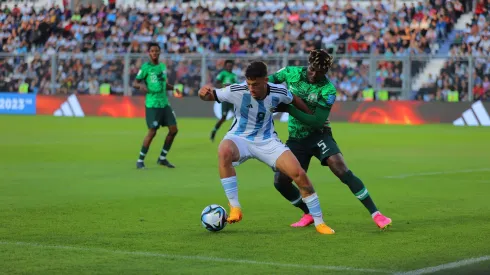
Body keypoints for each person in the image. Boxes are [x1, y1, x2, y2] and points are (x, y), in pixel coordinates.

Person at [198, 61, 335, 235]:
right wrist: (202, 93)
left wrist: (312, 116)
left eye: (255, 85)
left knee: (299, 174)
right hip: (239, 138)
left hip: (267, 141)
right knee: (223, 150)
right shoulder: (237, 90)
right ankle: (234, 206)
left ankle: (319, 222)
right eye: (248, 84)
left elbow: (294, 100)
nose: (251, 89)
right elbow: (210, 96)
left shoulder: (279, 92)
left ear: (266, 80)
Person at [269, 49, 392, 230]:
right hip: (296, 139)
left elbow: (317, 121)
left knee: (340, 168)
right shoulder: (291, 72)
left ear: (325, 72)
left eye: (319, 72)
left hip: (319, 135)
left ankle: (377, 214)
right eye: (312, 68)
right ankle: (308, 213)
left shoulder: (328, 89)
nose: (314, 74)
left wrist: (288, 109)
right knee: (280, 182)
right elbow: (268, 82)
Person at [133, 42, 179, 169]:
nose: (154, 53)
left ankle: (162, 158)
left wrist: (174, 88)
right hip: (152, 104)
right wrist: (140, 86)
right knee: (152, 132)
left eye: (156, 51)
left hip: (164, 103)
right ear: (149, 53)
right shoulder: (145, 67)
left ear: (159, 52)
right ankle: (140, 160)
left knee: (174, 130)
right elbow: (135, 83)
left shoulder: (162, 67)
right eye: (152, 51)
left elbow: (164, 84)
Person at [210, 60, 238, 142]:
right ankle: (214, 131)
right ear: (225, 66)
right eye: (228, 66)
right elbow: (216, 83)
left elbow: (237, 85)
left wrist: (232, 86)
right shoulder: (222, 74)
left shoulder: (234, 75)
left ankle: (235, 136)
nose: (229, 67)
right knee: (223, 117)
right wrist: (223, 86)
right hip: (225, 99)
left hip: (233, 99)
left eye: (231, 66)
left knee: (238, 116)